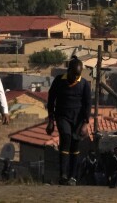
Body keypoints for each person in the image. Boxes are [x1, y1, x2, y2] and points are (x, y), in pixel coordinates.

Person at [46, 57, 91, 185]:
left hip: (78, 119)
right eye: (74, 74)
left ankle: (73, 177)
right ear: (69, 70)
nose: (76, 77)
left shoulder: (84, 84)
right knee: (66, 137)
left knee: (75, 145)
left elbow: (88, 104)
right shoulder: (59, 81)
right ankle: (63, 175)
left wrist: (85, 123)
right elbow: (51, 100)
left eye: (78, 75)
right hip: (62, 116)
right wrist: (51, 120)